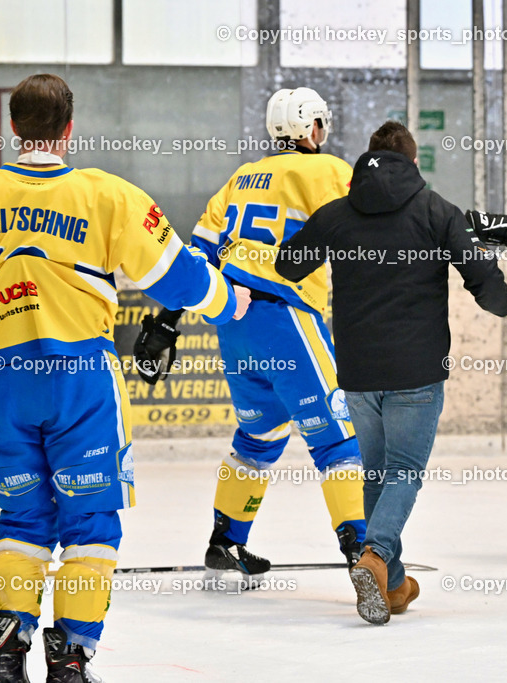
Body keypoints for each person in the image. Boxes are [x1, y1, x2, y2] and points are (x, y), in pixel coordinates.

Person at [0, 74, 249, 683]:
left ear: (11, 128)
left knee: (20, 520)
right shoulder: (108, 196)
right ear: (69, 130)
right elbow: (178, 276)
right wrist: (231, 301)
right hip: (79, 380)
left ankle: (5, 657)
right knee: (90, 521)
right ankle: (70, 658)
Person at [275, 121, 507, 624]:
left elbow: (289, 264)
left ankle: (395, 584)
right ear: (413, 163)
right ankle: (376, 556)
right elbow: (482, 279)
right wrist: (497, 295)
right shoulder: (434, 210)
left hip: (359, 370)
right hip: (417, 369)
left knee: (378, 473)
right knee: (403, 470)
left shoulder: (339, 212)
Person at [134, 87, 368, 582]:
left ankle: (225, 543)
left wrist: (166, 323)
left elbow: (197, 256)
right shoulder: (328, 171)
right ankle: (364, 555)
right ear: (310, 128)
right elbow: (372, 223)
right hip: (287, 317)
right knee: (338, 438)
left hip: (233, 323)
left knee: (259, 436)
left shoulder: (241, 177)